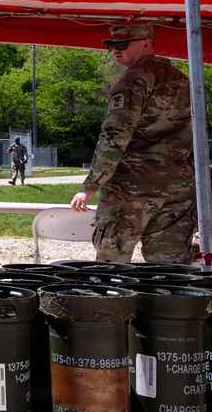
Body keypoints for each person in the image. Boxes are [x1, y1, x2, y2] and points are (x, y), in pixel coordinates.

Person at [69, 22, 196, 263]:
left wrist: (91, 185)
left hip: (131, 189)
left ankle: (114, 304)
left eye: (122, 44)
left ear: (146, 44)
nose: (115, 49)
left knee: (112, 269)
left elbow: (115, 136)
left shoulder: (134, 79)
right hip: (177, 189)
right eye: (111, 45)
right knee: (169, 271)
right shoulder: (185, 81)